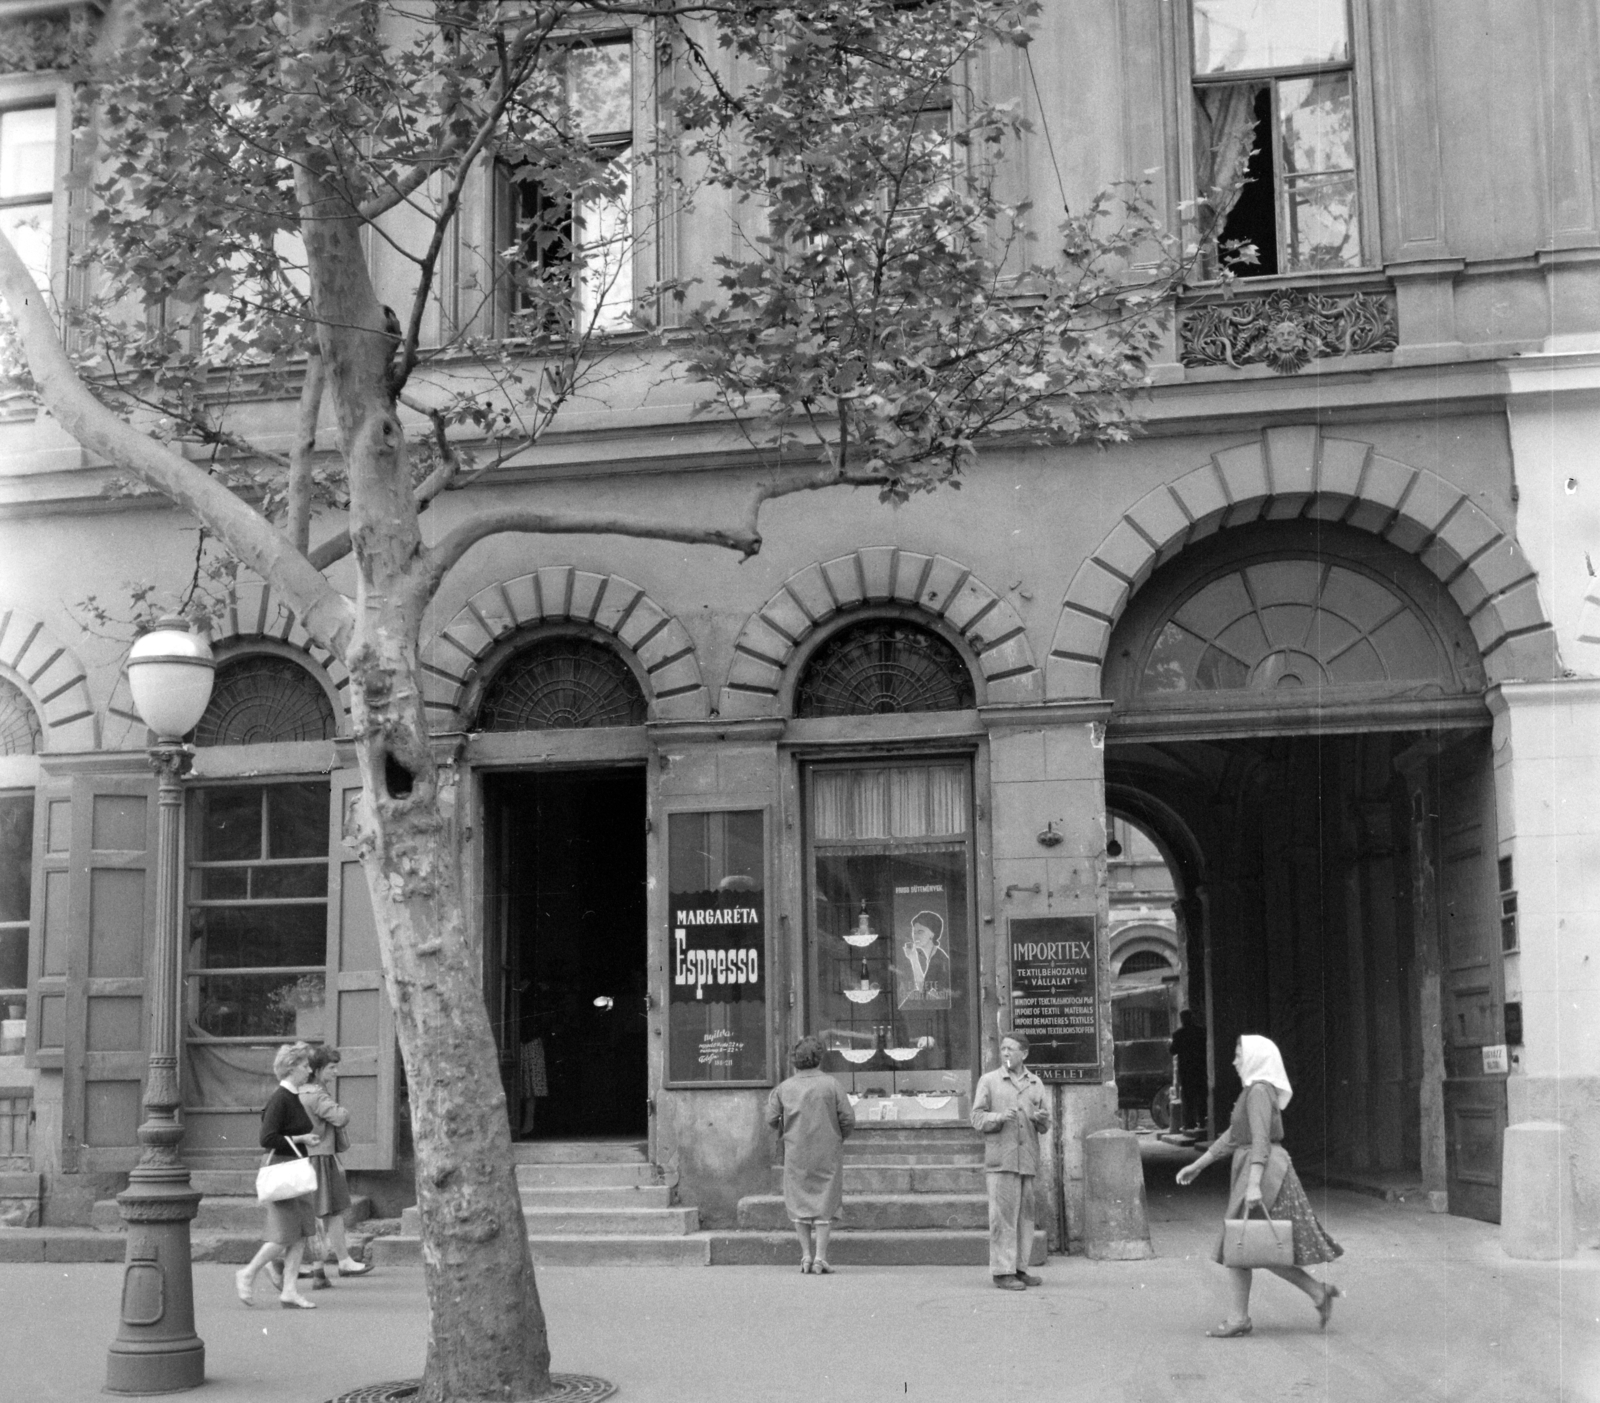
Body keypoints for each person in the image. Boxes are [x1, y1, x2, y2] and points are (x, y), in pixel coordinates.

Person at [1175, 1034, 1344, 1337]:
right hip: (1258, 1168)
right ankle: (1317, 1293)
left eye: (1239, 1055)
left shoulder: (1258, 1092)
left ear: (1255, 1058)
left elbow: (1260, 1141)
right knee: (1250, 1243)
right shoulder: (1252, 1092)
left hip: (1263, 1172)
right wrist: (1198, 1166)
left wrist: (1253, 1184)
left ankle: (1243, 1317)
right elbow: (1233, 1135)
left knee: (1244, 1242)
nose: (1234, 1061)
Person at [235, 1041, 321, 1309]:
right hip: (285, 1169)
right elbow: (267, 1138)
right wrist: (302, 1137)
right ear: (292, 1067)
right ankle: (248, 1272)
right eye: (305, 1065)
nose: (309, 1070)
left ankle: (290, 1290)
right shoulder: (281, 1098)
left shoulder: (291, 1095)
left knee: (301, 1233)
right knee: (284, 1235)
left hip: (295, 1169)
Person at [765, 1034, 855, 1274]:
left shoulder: (784, 1088)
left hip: (796, 1152)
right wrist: (838, 1136)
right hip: (827, 1151)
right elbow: (848, 1118)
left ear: (795, 1060)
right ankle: (820, 1258)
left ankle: (805, 1256)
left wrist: (787, 1131)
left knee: (800, 1202)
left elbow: (770, 1118)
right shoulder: (832, 1084)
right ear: (819, 1058)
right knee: (825, 1202)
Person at [970, 1031, 1050, 1290]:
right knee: (1002, 1217)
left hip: (1026, 1159)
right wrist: (1000, 1117)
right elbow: (976, 1119)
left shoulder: (1035, 1083)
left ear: (1024, 1054)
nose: (1005, 1053)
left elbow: (1045, 1125)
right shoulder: (989, 1081)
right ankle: (1002, 1272)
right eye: (1003, 1049)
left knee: (1025, 1217)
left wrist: (1041, 1120)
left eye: (1011, 1049)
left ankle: (1020, 1268)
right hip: (1001, 1159)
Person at [298, 1044, 374, 1278]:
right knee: (331, 1212)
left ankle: (301, 1263)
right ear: (318, 1070)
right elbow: (341, 1117)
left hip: (308, 1157)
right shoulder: (317, 1095)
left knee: (315, 1213)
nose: (335, 1072)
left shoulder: (300, 1091)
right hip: (321, 1158)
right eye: (331, 1068)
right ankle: (342, 1261)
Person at [1169, 1009, 1209, 1134]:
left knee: (1188, 1097)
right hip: (1200, 1069)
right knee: (1202, 1095)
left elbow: (1172, 1051)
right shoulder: (1202, 1031)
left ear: (1182, 1020)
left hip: (1186, 1070)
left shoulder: (1178, 1034)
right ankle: (1202, 1120)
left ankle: (1189, 1124)